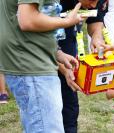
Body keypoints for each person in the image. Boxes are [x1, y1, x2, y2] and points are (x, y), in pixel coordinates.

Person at [0, 0, 85, 132]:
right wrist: (67, 21)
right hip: (31, 62)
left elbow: (33, 14)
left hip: (32, 60)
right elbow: (28, 20)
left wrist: (57, 52)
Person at [58, 0, 108, 132]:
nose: (94, 5)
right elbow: (38, 39)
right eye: (91, 1)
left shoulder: (95, 2)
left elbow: (96, 19)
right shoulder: (53, 2)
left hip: (67, 43)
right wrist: (63, 68)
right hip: (41, 50)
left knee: (69, 104)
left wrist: (96, 37)